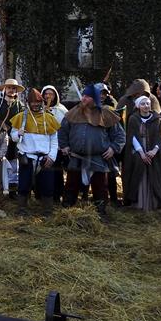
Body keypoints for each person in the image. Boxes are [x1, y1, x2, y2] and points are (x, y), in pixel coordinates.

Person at [58, 83, 125, 221]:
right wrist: (64, 146)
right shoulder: (73, 112)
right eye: (83, 95)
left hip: (98, 158)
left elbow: (120, 136)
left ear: (94, 98)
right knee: (71, 184)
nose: (83, 98)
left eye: (87, 96)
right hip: (76, 157)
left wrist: (113, 148)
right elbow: (63, 131)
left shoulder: (106, 113)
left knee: (100, 187)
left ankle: (101, 213)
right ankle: (66, 213)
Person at [9, 89, 60, 217]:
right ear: (28, 103)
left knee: (47, 186)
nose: (35, 104)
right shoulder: (21, 117)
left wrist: (52, 157)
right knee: (24, 185)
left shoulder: (49, 118)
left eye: (38, 102)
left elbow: (54, 141)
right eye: (33, 102)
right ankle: (21, 210)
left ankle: (47, 212)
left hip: (45, 158)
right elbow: (13, 137)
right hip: (27, 156)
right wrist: (17, 134)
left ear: (41, 102)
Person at [123, 96, 161, 211]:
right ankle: (140, 203)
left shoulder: (157, 119)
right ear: (138, 106)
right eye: (143, 104)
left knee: (155, 172)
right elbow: (132, 137)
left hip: (154, 151)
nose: (146, 106)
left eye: (148, 103)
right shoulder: (133, 119)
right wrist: (141, 152)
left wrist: (154, 150)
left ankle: (154, 202)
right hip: (138, 150)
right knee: (140, 171)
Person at [42, 85, 68, 204]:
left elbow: (65, 128)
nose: (48, 96)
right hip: (42, 146)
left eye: (51, 94)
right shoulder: (39, 109)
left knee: (57, 171)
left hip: (57, 145)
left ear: (55, 96)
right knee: (44, 171)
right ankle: (44, 196)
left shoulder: (62, 110)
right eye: (46, 94)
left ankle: (57, 196)